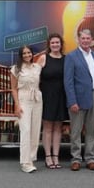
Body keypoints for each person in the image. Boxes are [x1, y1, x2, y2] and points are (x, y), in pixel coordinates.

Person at [63, 29, 94, 171]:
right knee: (76, 130)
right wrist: (72, 101)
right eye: (83, 38)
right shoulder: (71, 56)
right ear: (78, 39)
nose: (85, 40)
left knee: (92, 130)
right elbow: (68, 81)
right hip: (77, 98)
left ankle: (90, 159)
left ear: (92, 39)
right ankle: (76, 159)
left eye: (88, 38)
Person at [10, 45, 42, 173]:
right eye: (24, 53)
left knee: (35, 129)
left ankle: (31, 158)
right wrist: (17, 104)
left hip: (37, 99)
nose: (27, 55)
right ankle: (25, 163)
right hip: (23, 99)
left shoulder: (37, 67)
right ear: (20, 55)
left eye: (29, 52)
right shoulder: (16, 69)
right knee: (26, 130)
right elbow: (13, 88)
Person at [37, 33, 67, 169]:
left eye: (57, 42)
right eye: (53, 43)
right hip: (47, 97)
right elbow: (35, 78)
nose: (55, 45)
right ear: (49, 45)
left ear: (61, 44)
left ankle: (56, 156)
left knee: (58, 128)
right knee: (48, 127)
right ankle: (48, 156)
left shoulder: (66, 59)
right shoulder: (43, 58)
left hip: (61, 96)